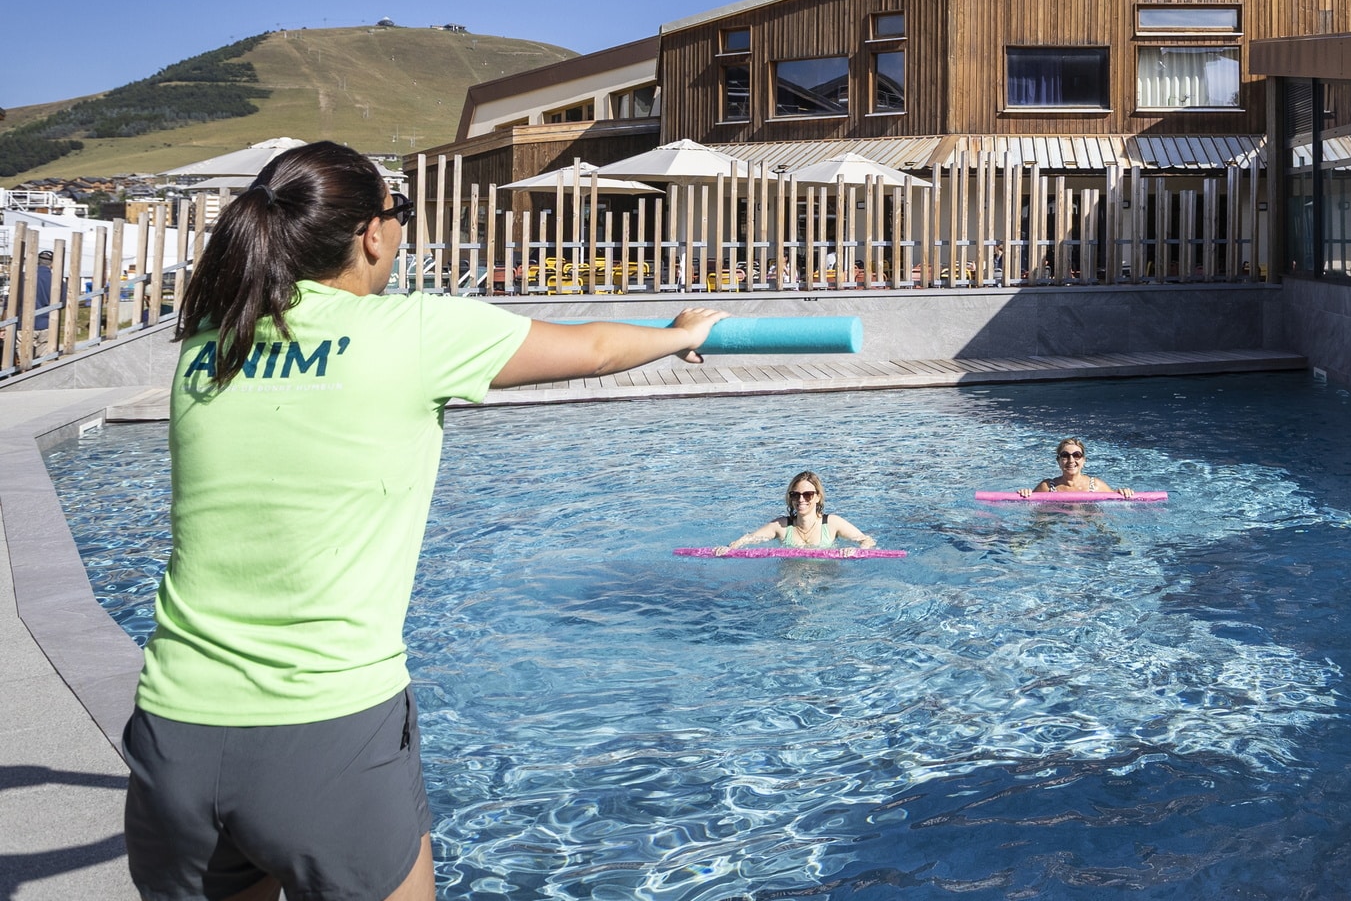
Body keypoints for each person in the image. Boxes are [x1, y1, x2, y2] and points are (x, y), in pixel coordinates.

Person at [121, 140, 729, 901]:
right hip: (327, 731)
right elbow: (596, 348)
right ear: (372, 234)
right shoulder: (411, 333)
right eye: (398, 214)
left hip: (174, 737)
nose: (402, 232)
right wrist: (682, 334)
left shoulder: (209, 345)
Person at [716, 471, 875, 557]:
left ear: (818, 496)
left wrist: (857, 551)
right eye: (795, 494)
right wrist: (730, 548)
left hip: (827, 575)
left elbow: (867, 540)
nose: (801, 499)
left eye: (807, 495)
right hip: (792, 576)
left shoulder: (832, 523)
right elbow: (749, 538)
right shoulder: (782, 526)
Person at [1019, 438, 1135, 498]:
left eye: (1076, 455)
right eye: (1065, 456)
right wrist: (1026, 493)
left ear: (1083, 460)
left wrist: (1123, 492)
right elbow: (1029, 506)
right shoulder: (1048, 486)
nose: (1071, 460)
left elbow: (1114, 497)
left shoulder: (1095, 485)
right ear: (1058, 461)